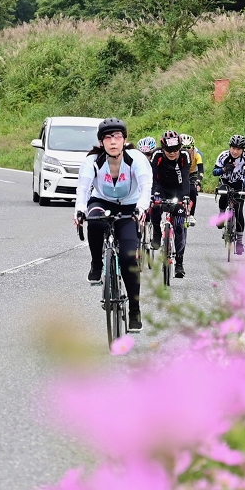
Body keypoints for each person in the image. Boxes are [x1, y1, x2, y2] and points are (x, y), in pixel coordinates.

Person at [74, 117, 152, 332]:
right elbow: (83, 189)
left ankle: (134, 308)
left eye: (117, 136)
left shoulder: (136, 158)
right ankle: (96, 263)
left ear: (125, 139)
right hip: (102, 201)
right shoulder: (93, 161)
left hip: (130, 206)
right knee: (94, 220)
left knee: (128, 257)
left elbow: (146, 186)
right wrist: (79, 209)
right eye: (107, 138)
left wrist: (142, 208)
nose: (113, 141)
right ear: (101, 143)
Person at [150, 130, 191, 278]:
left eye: (175, 149)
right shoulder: (157, 155)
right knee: (154, 206)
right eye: (168, 149)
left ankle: (179, 263)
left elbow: (186, 177)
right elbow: (153, 177)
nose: (172, 153)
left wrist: (186, 196)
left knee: (179, 226)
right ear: (163, 148)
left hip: (178, 190)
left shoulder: (185, 156)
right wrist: (152, 194)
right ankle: (156, 232)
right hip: (161, 188)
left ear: (180, 147)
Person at [213, 134, 245, 256]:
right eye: (233, 148)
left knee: (239, 210)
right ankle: (221, 214)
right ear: (230, 147)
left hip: (238, 183)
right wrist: (224, 169)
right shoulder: (223, 156)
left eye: (238, 149)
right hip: (225, 181)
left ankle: (239, 242)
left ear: (243, 149)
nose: (235, 151)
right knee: (224, 195)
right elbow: (215, 172)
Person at [180, 134, 204, 226]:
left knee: (192, 190)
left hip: (192, 173)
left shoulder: (197, 154)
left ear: (193, 147)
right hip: (181, 172)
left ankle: (191, 215)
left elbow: (201, 170)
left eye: (189, 147)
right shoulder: (178, 154)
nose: (187, 150)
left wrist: (198, 181)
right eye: (184, 147)